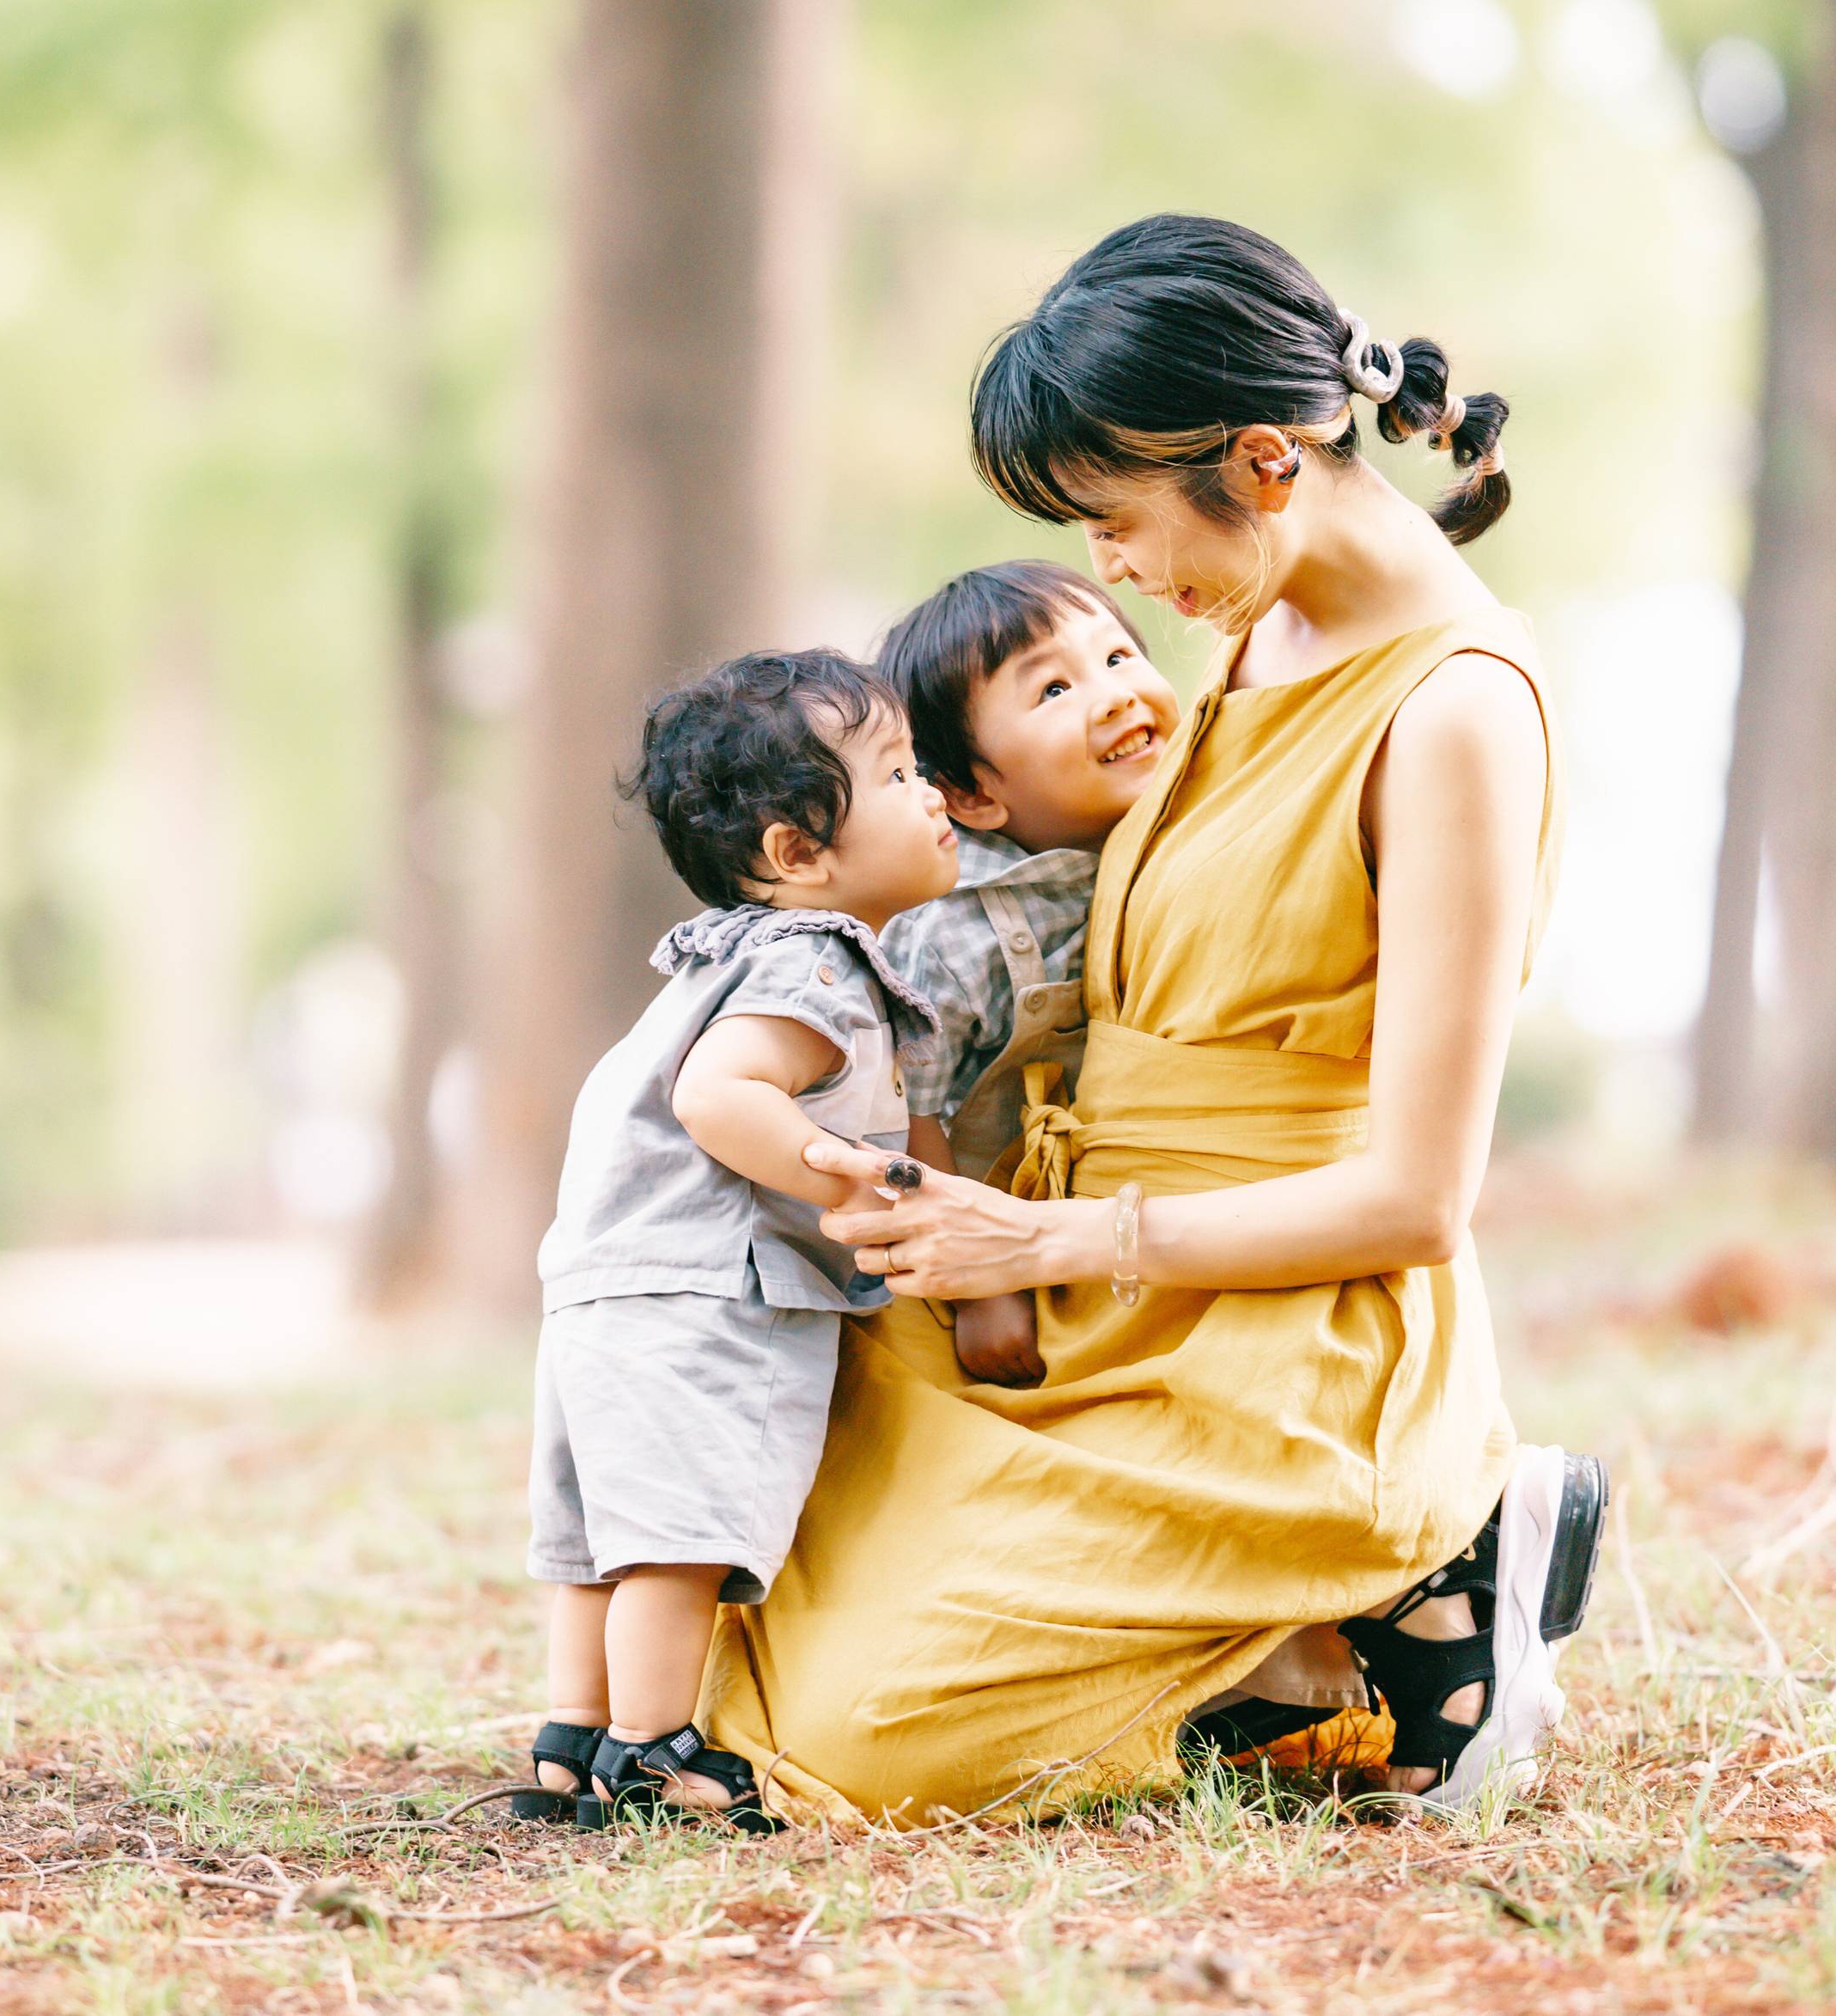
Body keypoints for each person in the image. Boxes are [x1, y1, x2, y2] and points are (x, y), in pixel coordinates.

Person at [705, 214, 1607, 1821]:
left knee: (856, 1743)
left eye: (1115, 526)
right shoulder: (1253, 629)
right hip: (1089, 1286)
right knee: (738, 1611)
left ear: (1265, 461)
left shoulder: (1456, 711)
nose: (1111, 574)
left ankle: (1408, 1611)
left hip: (1284, 1335)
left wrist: (1043, 1247)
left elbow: (1416, 1199)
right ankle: (1288, 1651)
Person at [515, 648, 955, 1830]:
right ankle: (657, 1750)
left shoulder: (721, 951)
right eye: (902, 772)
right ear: (795, 854)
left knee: (601, 1538)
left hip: (603, 1284)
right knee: (676, 1545)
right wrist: (840, 1169)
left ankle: (571, 1738)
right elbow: (723, 1095)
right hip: (699, 1289)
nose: (936, 794)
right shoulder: (818, 957)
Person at [874, 559, 1184, 1387]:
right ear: (973, 795)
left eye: (1118, 658)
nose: (1114, 694)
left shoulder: (1181, 837)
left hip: (1093, 1227)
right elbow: (909, 1104)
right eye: (1052, 691)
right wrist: (978, 1285)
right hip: (963, 1243)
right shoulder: (951, 928)